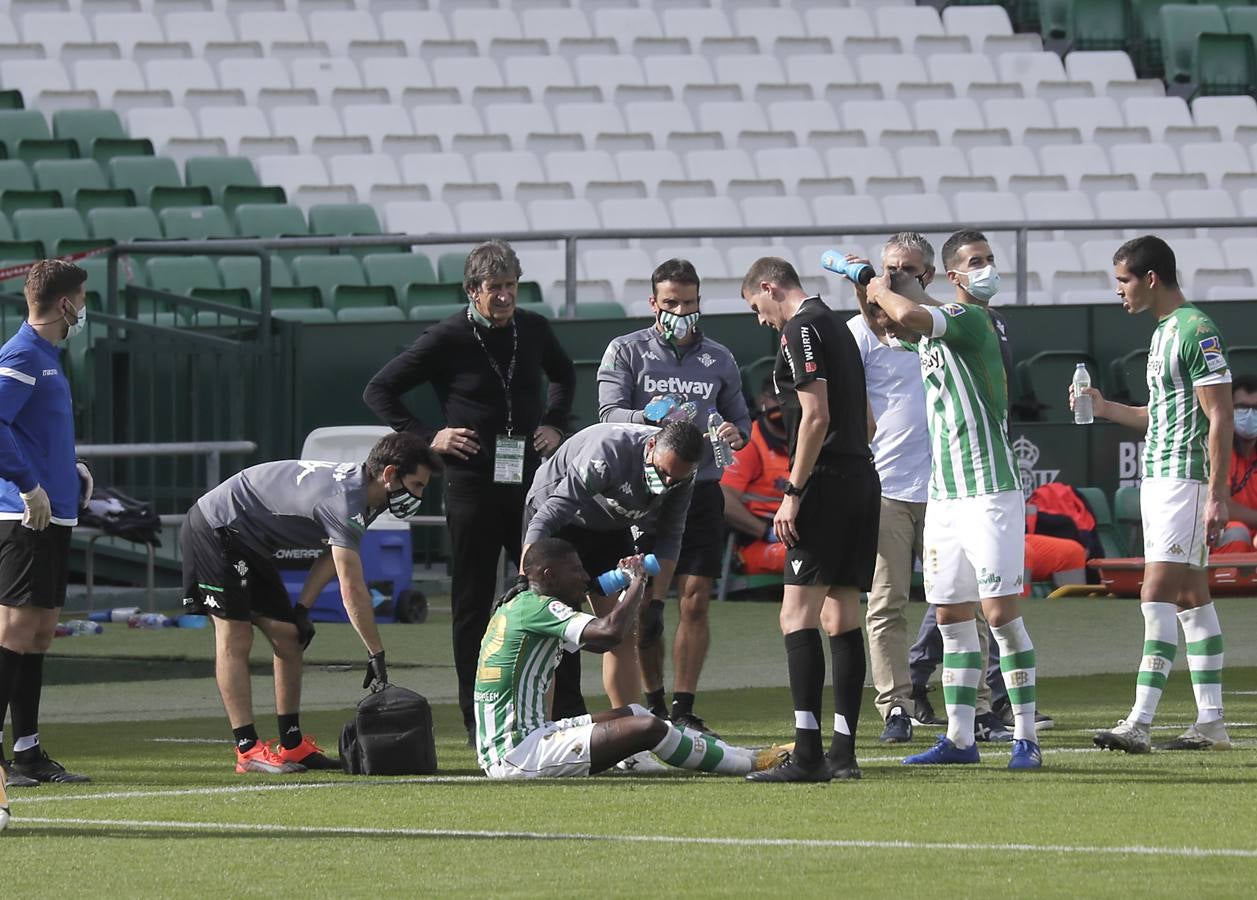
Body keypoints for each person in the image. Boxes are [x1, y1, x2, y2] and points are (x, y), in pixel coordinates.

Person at [363, 240, 575, 744]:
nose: (504, 296)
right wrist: (426, 435)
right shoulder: (448, 336)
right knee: (472, 603)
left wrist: (554, 422)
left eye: (510, 286)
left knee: (551, 590)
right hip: (471, 484)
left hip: (528, 481)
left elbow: (564, 374)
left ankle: (564, 710)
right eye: (494, 288)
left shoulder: (534, 328)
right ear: (472, 291)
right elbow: (380, 390)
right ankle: (475, 717)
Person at [867, 229, 1043, 770]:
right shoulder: (936, 326)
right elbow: (887, 323)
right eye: (977, 261)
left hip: (990, 489)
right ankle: (962, 739)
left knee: (999, 614)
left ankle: (1026, 736)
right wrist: (869, 288)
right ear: (953, 273)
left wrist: (874, 284)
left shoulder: (971, 320)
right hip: (944, 494)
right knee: (950, 615)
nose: (988, 268)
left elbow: (909, 316)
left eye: (991, 259)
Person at [180, 431, 441, 773]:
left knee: (289, 636)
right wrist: (375, 653)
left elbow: (331, 556)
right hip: (216, 527)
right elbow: (352, 587)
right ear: (390, 474)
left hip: (250, 541)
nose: (419, 495)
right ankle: (247, 749)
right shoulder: (346, 500)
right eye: (417, 485)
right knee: (236, 636)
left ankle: (292, 745)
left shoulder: (370, 497)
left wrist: (302, 608)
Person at [1078, 235, 1234, 753]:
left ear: (1150, 279)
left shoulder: (1196, 330)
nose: (1118, 292)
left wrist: (1216, 493)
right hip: (1163, 478)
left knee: (1156, 593)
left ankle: (1139, 721)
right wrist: (1103, 407)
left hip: (1184, 481)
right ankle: (1211, 722)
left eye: (1123, 281)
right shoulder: (1165, 332)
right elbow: (1154, 416)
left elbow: (1220, 416)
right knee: (1191, 595)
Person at [474, 537, 787, 778]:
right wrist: (638, 581)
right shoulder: (539, 606)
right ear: (549, 575)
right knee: (647, 728)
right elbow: (609, 633)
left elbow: (599, 643)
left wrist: (625, 590)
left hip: (522, 740)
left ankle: (742, 754)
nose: (585, 577)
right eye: (576, 570)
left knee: (636, 712)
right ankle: (749, 763)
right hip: (518, 753)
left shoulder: (522, 606)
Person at [739, 258, 880, 782]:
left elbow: (816, 416)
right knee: (841, 615)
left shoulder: (800, 329)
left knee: (795, 615)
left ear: (770, 288)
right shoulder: (839, 329)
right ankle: (844, 755)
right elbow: (864, 420)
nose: (760, 320)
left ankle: (808, 754)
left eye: (757, 307)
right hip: (862, 478)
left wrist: (793, 491)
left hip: (824, 483)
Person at [596, 258, 751, 734]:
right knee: (646, 602)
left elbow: (742, 426)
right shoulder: (626, 351)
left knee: (697, 599)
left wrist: (732, 432)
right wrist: (647, 416)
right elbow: (607, 415)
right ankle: (654, 703)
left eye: (689, 303)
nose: (681, 311)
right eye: (671, 303)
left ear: (700, 302)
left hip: (701, 488)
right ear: (653, 304)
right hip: (644, 490)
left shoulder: (720, 358)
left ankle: (683, 706)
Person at [522, 420, 701, 768]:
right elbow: (548, 516)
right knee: (547, 634)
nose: (667, 484)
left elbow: (670, 537)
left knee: (621, 632)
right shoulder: (607, 453)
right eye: (662, 474)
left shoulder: (683, 475)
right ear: (650, 449)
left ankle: (630, 747)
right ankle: (537, 737)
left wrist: (657, 602)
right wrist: (525, 582)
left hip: (609, 527)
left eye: (674, 479)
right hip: (559, 522)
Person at [0, 259, 92, 786]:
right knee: (13, 632)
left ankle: (28, 752)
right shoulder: (22, 354)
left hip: (54, 513)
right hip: (24, 516)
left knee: (37, 635)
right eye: (82, 298)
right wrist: (29, 485)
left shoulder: (48, 358)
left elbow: (33, 431)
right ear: (64, 304)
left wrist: (67, 469)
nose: (84, 309)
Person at [844, 233, 934, 746]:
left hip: (946, 485)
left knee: (963, 602)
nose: (896, 276)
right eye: (890, 267)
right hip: (889, 486)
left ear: (927, 276)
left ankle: (980, 706)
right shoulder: (859, 331)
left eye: (907, 269)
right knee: (887, 604)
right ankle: (895, 706)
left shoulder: (941, 325)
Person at [720, 377, 791, 576]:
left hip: (802, 532)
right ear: (763, 400)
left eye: (790, 398)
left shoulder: (808, 438)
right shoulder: (750, 442)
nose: (782, 405)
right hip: (756, 542)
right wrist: (765, 531)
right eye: (776, 398)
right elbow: (723, 497)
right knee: (806, 556)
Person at [1214, 374, 1257, 555]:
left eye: (1255, 408)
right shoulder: (1220, 449)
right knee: (1238, 533)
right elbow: (1223, 506)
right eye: (1242, 407)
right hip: (1222, 531)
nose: (1249, 414)